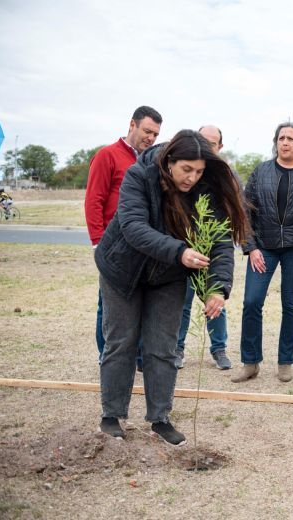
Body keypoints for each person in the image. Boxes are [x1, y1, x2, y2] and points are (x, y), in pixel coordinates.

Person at [94, 130, 249, 444]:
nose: (192, 178)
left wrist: (218, 288)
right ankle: (112, 416)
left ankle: (160, 419)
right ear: (169, 162)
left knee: (162, 347)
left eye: (199, 171)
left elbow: (219, 240)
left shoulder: (205, 189)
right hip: (123, 270)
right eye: (186, 170)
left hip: (168, 276)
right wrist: (179, 251)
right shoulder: (140, 175)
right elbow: (134, 227)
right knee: (121, 342)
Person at [231, 122, 293, 384]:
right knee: (252, 301)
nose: (284, 142)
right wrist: (251, 248)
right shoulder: (261, 171)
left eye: (289, 138)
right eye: (280, 138)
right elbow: (245, 211)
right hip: (264, 248)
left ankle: (285, 362)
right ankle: (250, 362)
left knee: (290, 304)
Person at [85, 106, 162, 368]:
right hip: (114, 245)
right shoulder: (107, 155)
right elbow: (94, 200)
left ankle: (138, 358)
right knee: (108, 306)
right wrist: (98, 241)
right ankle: (107, 356)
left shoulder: (153, 159)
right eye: (147, 131)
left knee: (139, 304)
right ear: (132, 125)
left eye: (155, 134)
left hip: (143, 245)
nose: (151, 138)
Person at [175, 125, 231, 370]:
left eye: (212, 143)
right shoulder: (184, 175)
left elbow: (228, 226)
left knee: (215, 301)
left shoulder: (224, 179)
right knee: (182, 303)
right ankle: (177, 349)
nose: (208, 147)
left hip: (210, 253)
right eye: (203, 141)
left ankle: (219, 349)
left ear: (220, 147)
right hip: (183, 252)